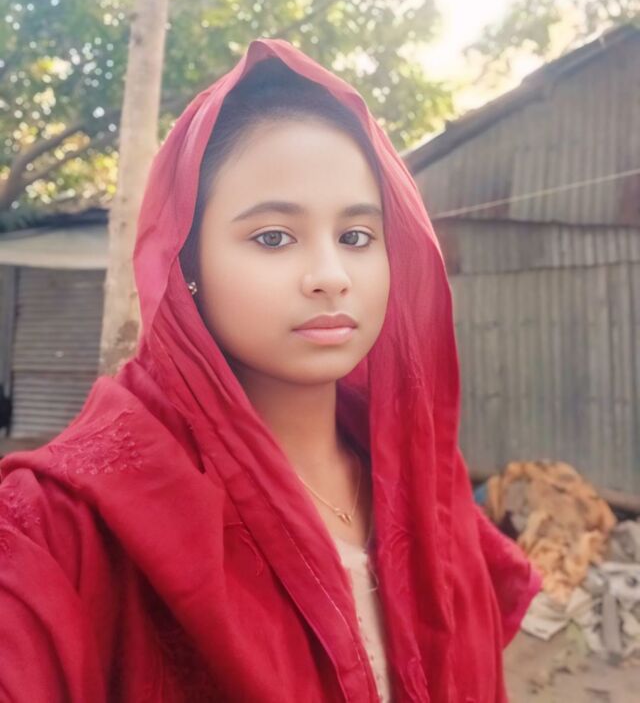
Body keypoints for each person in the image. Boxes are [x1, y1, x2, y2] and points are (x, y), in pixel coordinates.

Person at [0, 38, 541, 702]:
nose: (330, 276)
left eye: (357, 237)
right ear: (186, 264)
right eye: (274, 237)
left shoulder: (425, 483)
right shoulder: (62, 525)